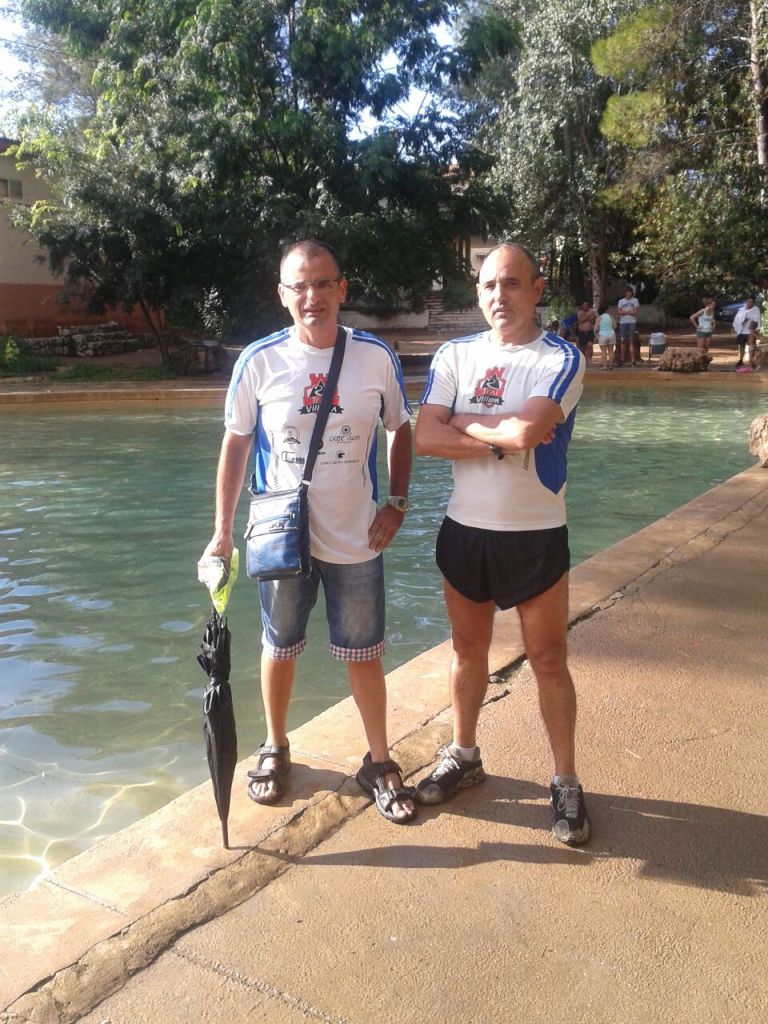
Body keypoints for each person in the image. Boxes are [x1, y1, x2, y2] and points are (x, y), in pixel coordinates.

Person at [201, 239, 416, 824]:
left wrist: (396, 502)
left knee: (363, 651)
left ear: (342, 289)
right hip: (280, 537)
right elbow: (236, 443)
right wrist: (222, 532)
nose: (312, 296)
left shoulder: (374, 357)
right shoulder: (260, 360)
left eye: (323, 284)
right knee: (279, 646)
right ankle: (276, 745)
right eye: (299, 285)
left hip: (357, 535)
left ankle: (379, 759)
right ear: (282, 295)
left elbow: (400, 427)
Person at [413, 241, 591, 846]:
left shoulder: (559, 358)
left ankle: (565, 779)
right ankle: (464, 755)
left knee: (547, 662)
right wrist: (494, 439)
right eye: (489, 286)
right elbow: (424, 439)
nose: (499, 297)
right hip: (465, 531)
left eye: (512, 284)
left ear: (537, 289)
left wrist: (465, 423)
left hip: (535, 535)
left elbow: (526, 432)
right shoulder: (455, 354)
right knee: (467, 653)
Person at [733, 296, 761, 369]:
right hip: (742, 331)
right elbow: (737, 319)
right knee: (742, 346)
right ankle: (741, 360)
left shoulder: (756, 310)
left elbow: (757, 320)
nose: (749, 303)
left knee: (751, 348)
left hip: (751, 331)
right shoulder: (742, 309)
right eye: (748, 302)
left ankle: (752, 363)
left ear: (753, 303)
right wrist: (742, 320)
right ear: (746, 302)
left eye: (751, 302)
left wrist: (757, 330)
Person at [617, 287, 640, 366]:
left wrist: (625, 312)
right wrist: (630, 311)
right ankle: (622, 360)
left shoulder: (635, 300)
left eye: (630, 292)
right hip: (623, 323)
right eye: (627, 292)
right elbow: (620, 312)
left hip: (632, 322)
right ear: (625, 293)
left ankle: (633, 361)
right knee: (623, 341)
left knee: (631, 341)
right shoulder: (621, 301)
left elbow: (635, 312)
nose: (629, 294)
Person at [595, 303, 615, 370]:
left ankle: (605, 366)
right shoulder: (611, 316)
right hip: (611, 334)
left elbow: (595, 328)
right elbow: (615, 326)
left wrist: (597, 333)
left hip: (603, 335)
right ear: (607, 310)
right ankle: (611, 365)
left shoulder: (599, 318)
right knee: (611, 351)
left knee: (603, 351)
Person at [575, 301, 596, 365]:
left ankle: (589, 359)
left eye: (587, 305)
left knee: (590, 345)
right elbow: (580, 320)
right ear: (582, 306)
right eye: (584, 305)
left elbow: (592, 320)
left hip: (590, 331)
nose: (585, 306)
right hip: (581, 332)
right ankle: (583, 360)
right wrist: (587, 316)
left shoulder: (591, 311)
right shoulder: (579, 312)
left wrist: (585, 317)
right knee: (582, 347)